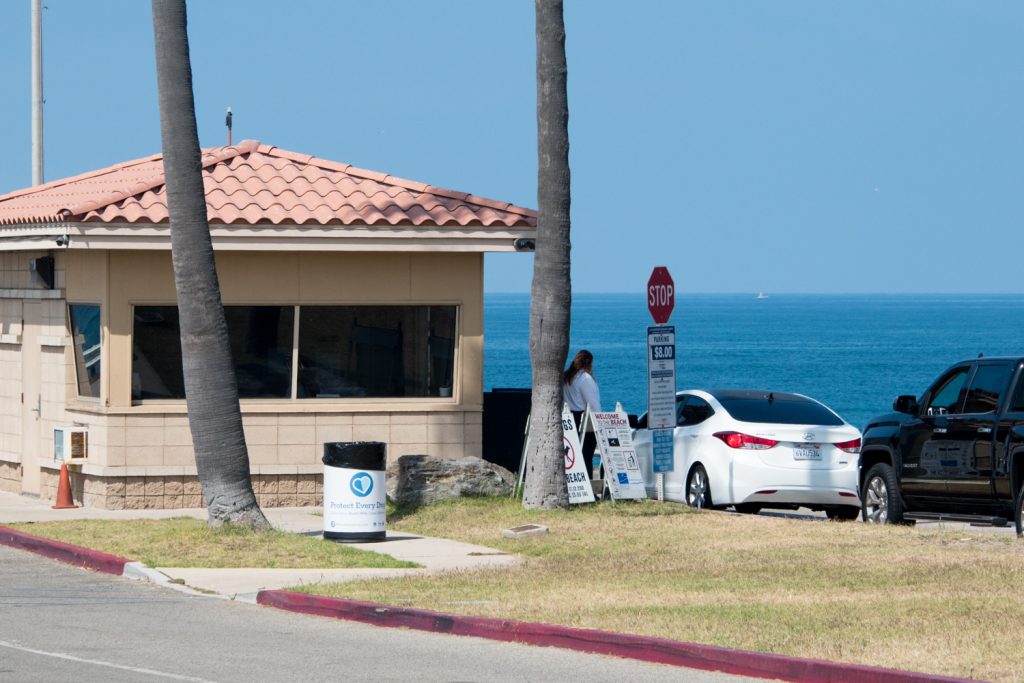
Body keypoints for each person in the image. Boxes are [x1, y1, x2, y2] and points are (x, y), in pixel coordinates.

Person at [563, 350, 601, 478]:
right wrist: (600, 421)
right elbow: (593, 403)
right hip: (585, 421)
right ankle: (588, 486)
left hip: (571, 418)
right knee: (587, 455)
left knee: (574, 456)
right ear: (589, 362)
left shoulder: (568, 377)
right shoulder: (585, 378)